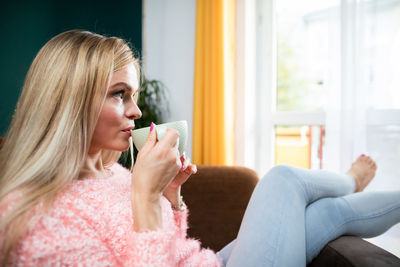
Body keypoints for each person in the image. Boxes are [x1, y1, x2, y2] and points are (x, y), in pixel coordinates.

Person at [0, 30, 399, 266]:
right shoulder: (33, 219)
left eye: (133, 94)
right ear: (69, 101)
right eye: (119, 95)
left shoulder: (112, 172)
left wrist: (169, 200)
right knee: (282, 180)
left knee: (326, 212)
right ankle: (348, 178)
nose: (137, 111)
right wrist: (143, 197)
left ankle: (348, 184)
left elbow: (163, 247)